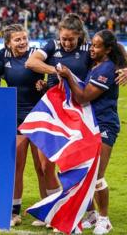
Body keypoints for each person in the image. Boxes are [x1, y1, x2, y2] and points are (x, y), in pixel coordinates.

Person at [57, 30, 126, 235]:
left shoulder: (106, 68)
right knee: (82, 173)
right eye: (92, 44)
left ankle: (104, 220)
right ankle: (92, 215)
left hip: (104, 125)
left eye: (96, 46)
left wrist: (68, 75)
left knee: (97, 176)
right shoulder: (96, 64)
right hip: (89, 125)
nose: (91, 49)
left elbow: (83, 97)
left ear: (108, 49)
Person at [25, 13, 91, 207]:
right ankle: (56, 207)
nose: (67, 43)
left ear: (80, 36)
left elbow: (116, 54)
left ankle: (80, 208)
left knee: (72, 164)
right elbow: (31, 62)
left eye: (71, 39)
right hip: (52, 110)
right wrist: (56, 71)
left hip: (78, 111)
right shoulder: (53, 46)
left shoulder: (88, 49)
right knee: (46, 165)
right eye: (64, 39)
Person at [0, 24, 47, 227]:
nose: (23, 42)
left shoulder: (37, 54)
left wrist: (45, 84)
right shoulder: (2, 57)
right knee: (17, 166)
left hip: (39, 116)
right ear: (8, 43)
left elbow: (55, 72)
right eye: (17, 39)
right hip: (15, 117)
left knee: (43, 167)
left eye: (24, 38)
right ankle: (14, 212)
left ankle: (47, 210)